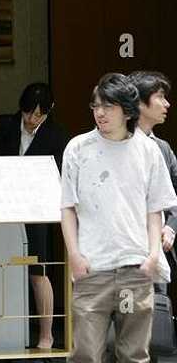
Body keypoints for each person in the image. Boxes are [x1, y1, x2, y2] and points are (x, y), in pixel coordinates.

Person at [62, 73, 177, 363]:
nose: (99, 113)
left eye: (108, 106)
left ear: (127, 110)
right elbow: (67, 208)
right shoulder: (78, 148)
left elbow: (155, 209)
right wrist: (74, 255)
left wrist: (152, 256)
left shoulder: (148, 150)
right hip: (92, 268)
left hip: (135, 268)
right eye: (96, 106)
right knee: (86, 354)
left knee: (133, 354)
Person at [0, 82, 68, 349]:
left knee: (38, 269)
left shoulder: (56, 136)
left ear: (48, 112)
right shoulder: (6, 125)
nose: (32, 120)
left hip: (36, 210)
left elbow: (57, 178)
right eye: (28, 114)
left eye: (39, 115)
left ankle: (46, 334)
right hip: (3, 206)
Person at [130, 71, 177, 255]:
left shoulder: (162, 148)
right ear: (140, 103)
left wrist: (170, 227)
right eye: (160, 97)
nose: (167, 104)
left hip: (160, 249)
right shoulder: (119, 145)